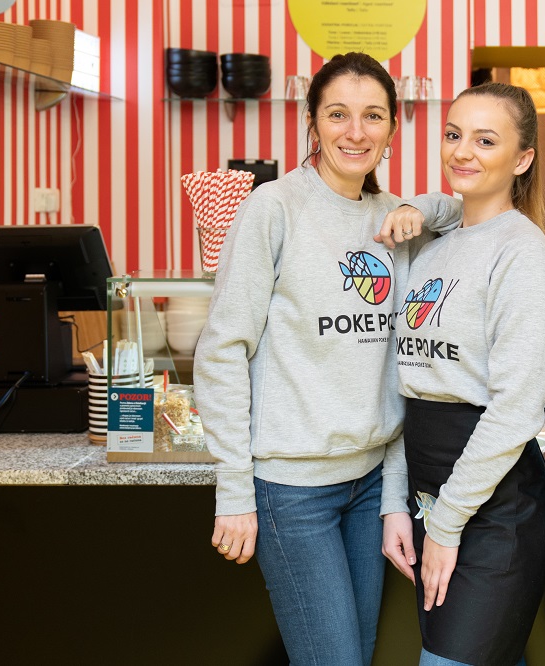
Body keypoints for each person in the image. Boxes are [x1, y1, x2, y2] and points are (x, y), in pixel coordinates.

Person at [193, 52, 458, 666]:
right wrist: (234, 488)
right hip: (291, 489)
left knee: (355, 655)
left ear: (393, 127)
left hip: (369, 486)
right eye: (338, 114)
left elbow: (464, 213)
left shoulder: (394, 219)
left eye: (373, 116)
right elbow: (223, 350)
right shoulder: (273, 208)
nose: (356, 132)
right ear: (312, 121)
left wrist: (420, 207)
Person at [378, 82, 545, 666]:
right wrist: (397, 503)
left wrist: (446, 524)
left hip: (495, 511)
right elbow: (408, 389)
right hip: (431, 497)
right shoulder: (433, 246)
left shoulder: (524, 255)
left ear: (522, 159)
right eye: (454, 135)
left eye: (486, 140)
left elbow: (515, 410)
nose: (463, 151)